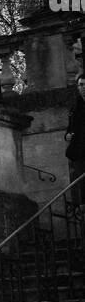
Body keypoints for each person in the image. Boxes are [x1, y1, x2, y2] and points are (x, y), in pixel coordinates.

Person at [64, 72, 85, 206]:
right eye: (80, 85)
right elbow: (70, 127)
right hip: (80, 152)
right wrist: (67, 135)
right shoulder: (75, 107)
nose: (82, 87)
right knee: (82, 185)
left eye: (84, 84)